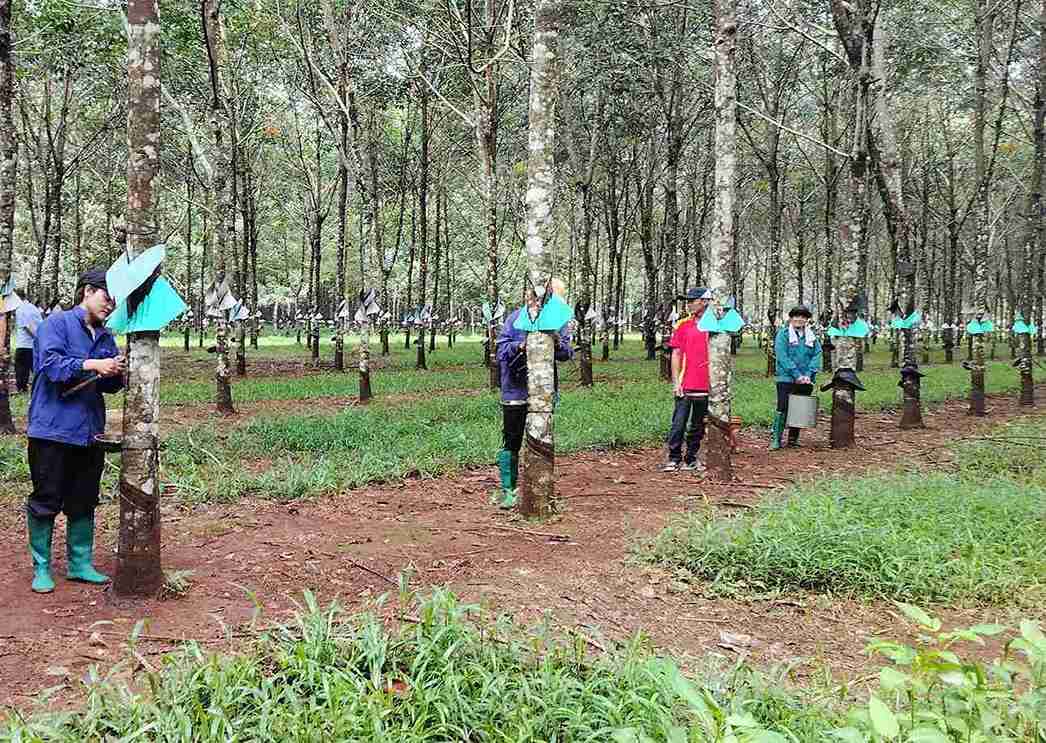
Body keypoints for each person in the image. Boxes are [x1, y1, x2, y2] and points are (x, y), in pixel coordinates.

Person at [25, 268, 125, 594]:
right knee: (46, 498)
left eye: (114, 302)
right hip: (51, 431)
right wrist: (94, 364)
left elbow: (109, 387)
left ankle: (79, 564)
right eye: (106, 298)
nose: (110, 306)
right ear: (87, 291)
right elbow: (51, 366)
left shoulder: (106, 336)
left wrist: (116, 370)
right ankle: (41, 567)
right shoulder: (56, 324)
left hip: (88, 432)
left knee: (83, 499)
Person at [494, 279, 573, 509]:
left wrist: (557, 342)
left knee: (541, 438)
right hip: (516, 390)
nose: (540, 303)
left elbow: (568, 352)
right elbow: (501, 351)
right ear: (530, 297)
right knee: (512, 439)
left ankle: (537, 486)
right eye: (537, 298)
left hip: (543, 392)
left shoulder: (557, 321)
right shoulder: (515, 319)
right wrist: (521, 345)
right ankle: (508, 490)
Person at [663, 287, 712, 472]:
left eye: (693, 300)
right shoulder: (683, 325)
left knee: (698, 425)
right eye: (688, 301)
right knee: (678, 423)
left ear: (705, 301)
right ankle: (673, 458)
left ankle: (691, 457)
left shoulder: (715, 326)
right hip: (686, 383)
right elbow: (676, 354)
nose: (689, 304)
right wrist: (676, 382)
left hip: (706, 384)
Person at [771, 304, 823, 449]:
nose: (799, 319)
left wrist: (808, 374)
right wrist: (796, 374)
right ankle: (776, 439)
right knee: (782, 407)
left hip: (806, 379)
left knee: (800, 407)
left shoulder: (812, 337)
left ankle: (793, 439)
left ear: (807, 320)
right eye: (796, 316)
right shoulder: (783, 334)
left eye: (803, 317)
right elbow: (782, 356)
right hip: (786, 377)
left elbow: (817, 354)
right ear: (791, 318)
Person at [14, 293, 43, 393]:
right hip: (32, 346)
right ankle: (37, 388)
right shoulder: (33, 308)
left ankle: (22, 389)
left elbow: (27, 326)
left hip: (23, 344)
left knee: (21, 368)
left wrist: (36, 338)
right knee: (33, 368)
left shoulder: (20, 309)